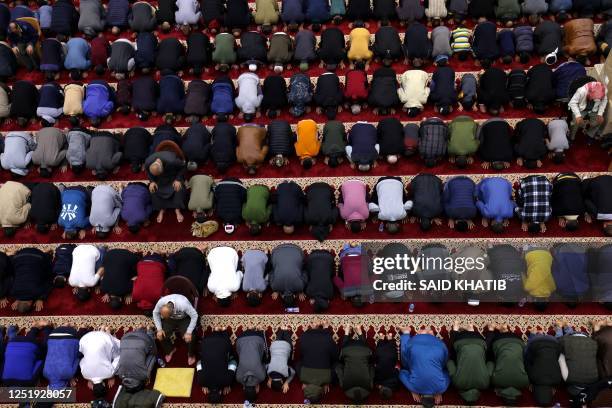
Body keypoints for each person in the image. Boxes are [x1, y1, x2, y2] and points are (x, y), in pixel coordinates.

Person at [399, 326, 450, 406]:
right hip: (414, 343)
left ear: (434, 398)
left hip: (439, 345)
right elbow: (402, 373)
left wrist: (439, 391)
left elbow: (446, 372)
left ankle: (430, 336)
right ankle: (406, 333)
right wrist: (412, 389)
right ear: (421, 397)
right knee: (405, 364)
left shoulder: (442, 387)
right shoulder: (414, 387)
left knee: (441, 361)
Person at [446, 322, 490, 404]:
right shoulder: (458, 384)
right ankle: (455, 329)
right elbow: (450, 364)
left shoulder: (485, 384)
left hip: (479, 340)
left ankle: (471, 329)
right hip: (460, 340)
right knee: (452, 354)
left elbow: (490, 364)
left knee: (483, 352)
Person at [486, 324, 530, 405]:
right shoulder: (497, 382)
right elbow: (490, 365)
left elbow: (527, 364)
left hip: (518, 340)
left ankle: (505, 330)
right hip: (498, 340)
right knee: (487, 351)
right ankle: (491, 330)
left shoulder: (524, 383)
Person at [152, 293, 199, 365]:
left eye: (164, 316)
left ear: (173, 312)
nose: (162, 317)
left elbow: (194, 315)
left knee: (191, 336)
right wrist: (159, 329)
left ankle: (191, 355)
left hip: (184, 318)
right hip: (170, 319)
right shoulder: (161, 302)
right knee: (160, 335)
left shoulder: (183, 304)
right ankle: (170, 350)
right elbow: (155, 313)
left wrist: (189, 332)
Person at [2, 321, 52, 386]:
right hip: (12, 343)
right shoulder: (4, 380)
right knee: (28, 347)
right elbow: (4, 361)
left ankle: (47, 327)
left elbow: (40, 363)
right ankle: (35, 327)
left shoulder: (29, 381)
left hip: (31, 344)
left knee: (44, 348)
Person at [298, 321, 338, 403]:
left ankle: (326, 328)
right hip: (307, 337)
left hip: (326, 338)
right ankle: (313, 328)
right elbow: (298, 363)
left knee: (329, 348)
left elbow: (336, 365)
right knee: (306, 345)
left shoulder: (327, 379)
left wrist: (326, 383)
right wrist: (304, 381)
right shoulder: (302, 377)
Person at [524, 328, 563, 406]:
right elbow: (527, 362)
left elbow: (559, 362)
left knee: (557, 350)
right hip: (536, 341)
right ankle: (533, 334)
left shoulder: (557, 380)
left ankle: (558, 329)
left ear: (552, 392)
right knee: (526, 354)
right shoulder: (533, 378)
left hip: (554, 342)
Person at [145, 150, 186, 224]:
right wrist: (152, 181)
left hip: (173, 177)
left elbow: (183, 166)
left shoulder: (172, 161)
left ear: (162, 168)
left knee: (179, 187)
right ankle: (161, 209)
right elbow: (148, 172)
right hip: (159, 180)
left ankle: (177, 209)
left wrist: (178, 179)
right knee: (152, 189)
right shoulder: (148, 162)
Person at [198, 327, 237, 403]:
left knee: (230, 353)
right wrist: (203, 383)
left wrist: (227, 384)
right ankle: (215, 331)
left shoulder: (226, 381)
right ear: (208, 392)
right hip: (205, 342)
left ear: (220, 393)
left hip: (223, 342)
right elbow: (199, 362)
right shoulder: (201, 381)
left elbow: (234, 363)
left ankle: (224, 331)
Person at [336, 325, 374, 403]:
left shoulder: (369, 386)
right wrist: (342, 363)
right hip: (348, 349)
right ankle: (347, 331)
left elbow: (372, 369)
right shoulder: (344, 386)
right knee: (343, 349)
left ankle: (359, 331)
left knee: (365, 352)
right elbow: (338, 369)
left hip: (364, 350)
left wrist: (367, 363)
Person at [79, 328, 120, 399]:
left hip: (104, 339)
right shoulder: (85, 375)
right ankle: (103, 331)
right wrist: (89, 379)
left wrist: (112, 375)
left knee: (117, 352)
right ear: (92, 387)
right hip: (85, 338)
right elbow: (82, 361)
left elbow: (118, 359)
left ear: (104, 385)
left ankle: (107, 332)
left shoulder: (109, 373)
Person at [9, 247, 52, 313]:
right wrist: (18, 298)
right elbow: (11, 277)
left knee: (49, 270)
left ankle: (48, 254)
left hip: (38, 256)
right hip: (19, 255)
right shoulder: (13, 292)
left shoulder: (37, 292)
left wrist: (40, 298)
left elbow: (49, 282)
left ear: (29, 304)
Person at [236, 327, 269, 402]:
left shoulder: (262, 377)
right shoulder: (238, 378)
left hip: (257, 337)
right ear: (244, 388)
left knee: (266, 357)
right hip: (240, 338)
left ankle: (259, 330)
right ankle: (249, 329)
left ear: (257, 389)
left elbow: (264, 364)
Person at [43, 325, 81, 389]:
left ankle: (81, 328)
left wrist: (71, 377)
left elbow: (77, 359)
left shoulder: (68, 375)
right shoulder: (45, 374)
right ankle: (65, 325)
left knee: (80, 351)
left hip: (70, 334)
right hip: (53, 334)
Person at [269, 243, 307, 307]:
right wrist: (277, 290)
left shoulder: (300, 287)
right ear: (283, 297)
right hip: (276, 250)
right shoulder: (274, 286)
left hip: (297, 249)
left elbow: (305, 272)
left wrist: (300, 290)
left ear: (294, 296)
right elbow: (271, 273)